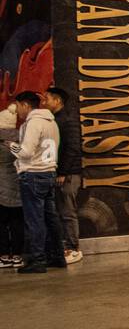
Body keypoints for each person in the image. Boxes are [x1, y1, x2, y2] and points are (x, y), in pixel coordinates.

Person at [9, 90, 66, 274]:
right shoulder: (51, 123)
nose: (17, 111)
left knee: (34, 220)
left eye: (17, 106)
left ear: (25, 105)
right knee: (51, 218)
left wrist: (10, 145)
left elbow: (25, 152)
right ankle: (57, 256)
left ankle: (37, 260)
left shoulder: (33, 123)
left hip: (33, 174)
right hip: (49, 173)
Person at [43, 86, 83, 263]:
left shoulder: (67, 119)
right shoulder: (55, 119)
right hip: (60, 172)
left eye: (47, 99)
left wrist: (63, 172)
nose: (45, 102)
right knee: (60, 211)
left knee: (67, 212)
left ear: (57, 100)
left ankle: (73, 248)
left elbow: (72, 148)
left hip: (68, 174)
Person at [0, 104, 24, 268]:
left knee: (1, 222)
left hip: (0, 186)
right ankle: (17, 255)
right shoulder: (21, 137)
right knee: (17, 222)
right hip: (18, 183)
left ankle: (3, 255)